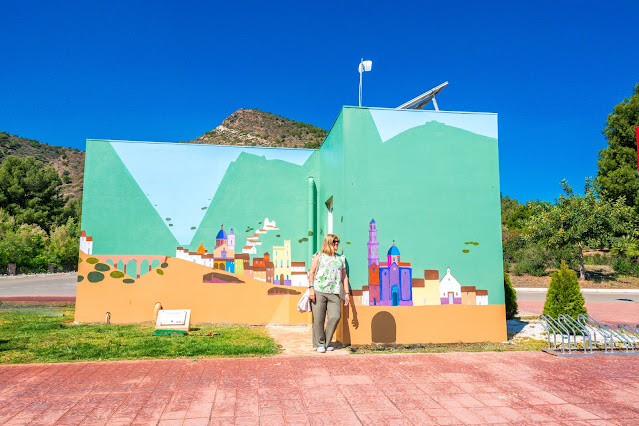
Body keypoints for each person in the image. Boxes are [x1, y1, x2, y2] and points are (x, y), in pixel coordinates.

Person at [308, 234, 350, 353]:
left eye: (338, 241)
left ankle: (326, 342)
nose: (337, 243)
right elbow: (311, 272)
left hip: (334, 292)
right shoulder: (319, 256)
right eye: (334, 241)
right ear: (328, 242)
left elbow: (344, 276)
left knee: (335, 316)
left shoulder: (340, 258)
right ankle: (320, 344)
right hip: (319, 290)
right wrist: (311, 288)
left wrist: (347, 293)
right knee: (319, 319)